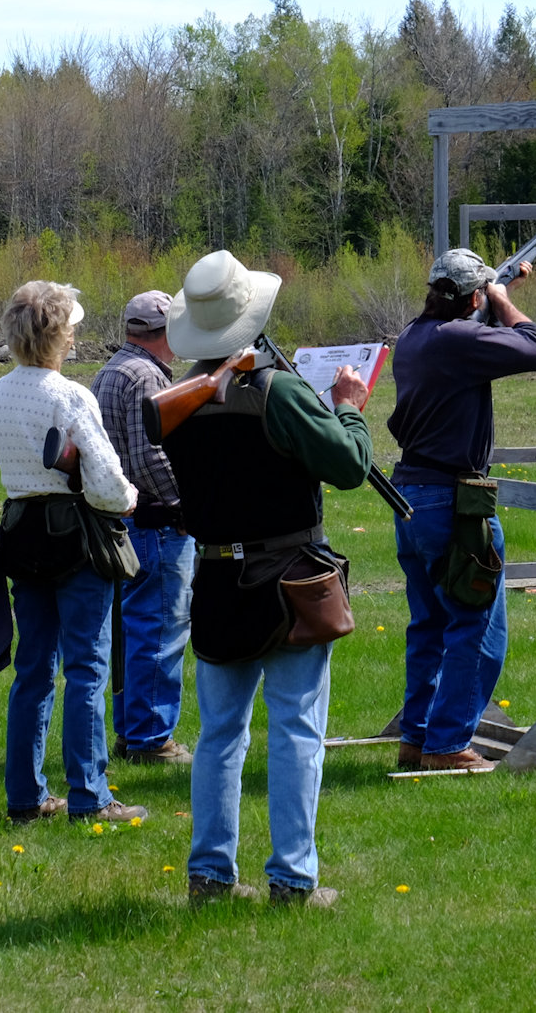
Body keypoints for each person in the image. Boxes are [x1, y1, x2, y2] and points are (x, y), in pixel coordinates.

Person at [157, 250, 372, 907]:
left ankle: (210, 877)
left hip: (219, 586)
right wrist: (348, 405)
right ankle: (292, 879)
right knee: (298, 729)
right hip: (290, 582)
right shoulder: (280, 392)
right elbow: (349, 465)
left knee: (220, 735)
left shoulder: (180, 406)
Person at [0, 280, 147, 824]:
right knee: (86, 669)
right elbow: (104, 482)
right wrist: (129, 498)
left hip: (21, 535)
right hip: (74, 540)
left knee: (32, 670)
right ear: (56, 333)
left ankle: (26, 798)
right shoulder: (70, 395)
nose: (75, 331)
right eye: (70, 323)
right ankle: (91, 795)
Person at [386, 248, 536, 771]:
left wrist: (489, 295)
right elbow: (535, 348)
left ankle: (417, 737)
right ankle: (449, 744)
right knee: (478, 629)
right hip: (452, 502)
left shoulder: (414, 336)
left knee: (430, 625)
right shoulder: (457, 339)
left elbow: (468, 334)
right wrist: (501, 297)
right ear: (474, 296)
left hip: (412, 494)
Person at [91, 290, 195, 765]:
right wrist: (185, 502)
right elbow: (151, 454)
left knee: (132, 630)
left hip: (123, 521)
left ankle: (131, 732)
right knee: (158, 630)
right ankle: (151, 738)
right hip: (155, 522)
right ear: (165, 330)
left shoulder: (111, 369)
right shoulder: (148, 376)